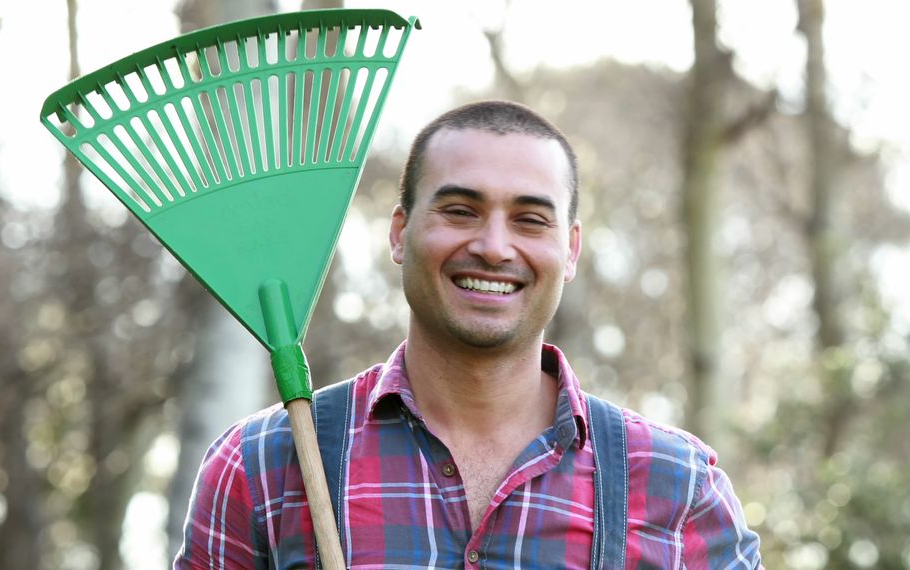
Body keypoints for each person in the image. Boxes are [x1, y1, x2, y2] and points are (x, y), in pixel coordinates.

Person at [174, 100, 762, 568]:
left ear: (571, 250)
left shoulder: (676, 484)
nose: (494, 247)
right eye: (460, 210)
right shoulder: (261, 467)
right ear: (400, 232)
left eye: (531, 219)